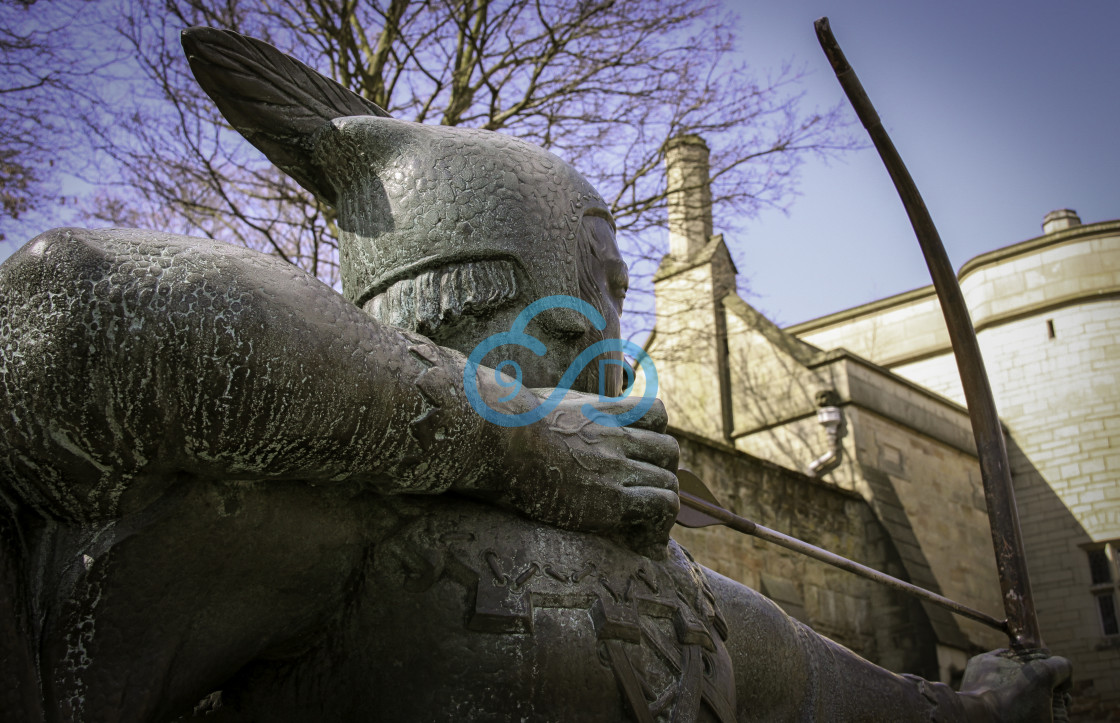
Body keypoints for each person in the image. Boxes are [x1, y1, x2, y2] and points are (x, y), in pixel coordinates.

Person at [0, 27, 1068, 722]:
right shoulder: (311, 522)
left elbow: (853, 696)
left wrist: (983, 707)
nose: (616, 331)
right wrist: (516, 436)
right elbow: (73, 302)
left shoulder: (682, 592)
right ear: (498, 281)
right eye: (599, 283)